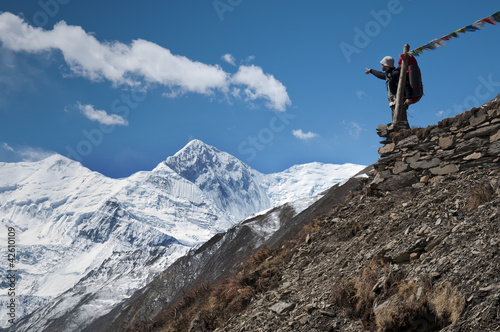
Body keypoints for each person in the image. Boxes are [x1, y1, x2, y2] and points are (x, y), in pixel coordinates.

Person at [365, 56, 412, 129]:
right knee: (395, 120)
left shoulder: (396, 73)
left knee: (402, 120)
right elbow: (380, 75)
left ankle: (405, 134)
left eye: (382, 64)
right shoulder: (389, 74)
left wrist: (408, 98)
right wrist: (371, 71)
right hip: (394, 101)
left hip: (400, 100)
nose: (381, 66)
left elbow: (405, 84)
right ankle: (399, 134)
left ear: (386, 65)